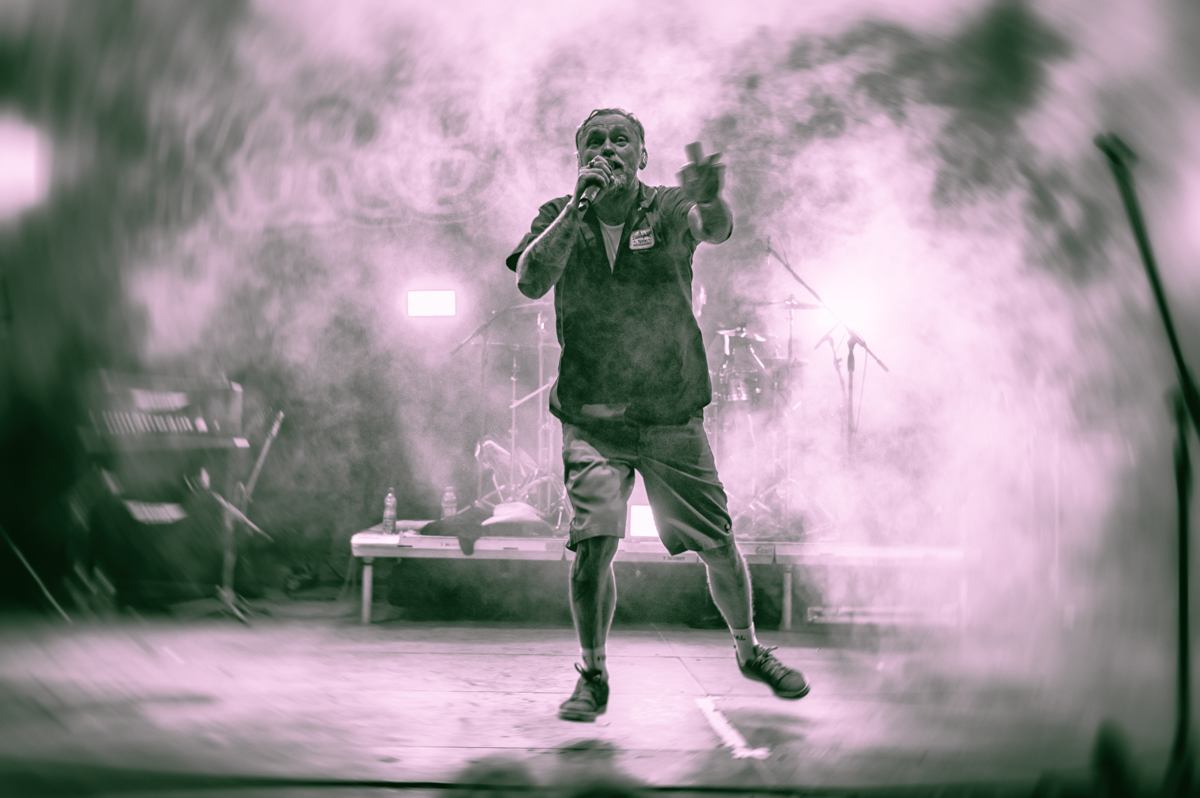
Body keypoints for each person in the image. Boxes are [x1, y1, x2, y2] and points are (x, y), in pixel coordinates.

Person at [506, 108, 809, 723]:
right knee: (593, 545)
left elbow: (713, 227)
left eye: (621, 139)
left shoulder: (667, 207)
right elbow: (531, 281)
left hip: (670, 410)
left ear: (642, 155)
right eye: (594, 141)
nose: (608, 149)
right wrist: (578, 208)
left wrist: (712, 199)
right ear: (578, 157)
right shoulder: (558, 214)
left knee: (717, 543)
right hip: (594, 416)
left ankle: (749, 650)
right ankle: (593, 674)